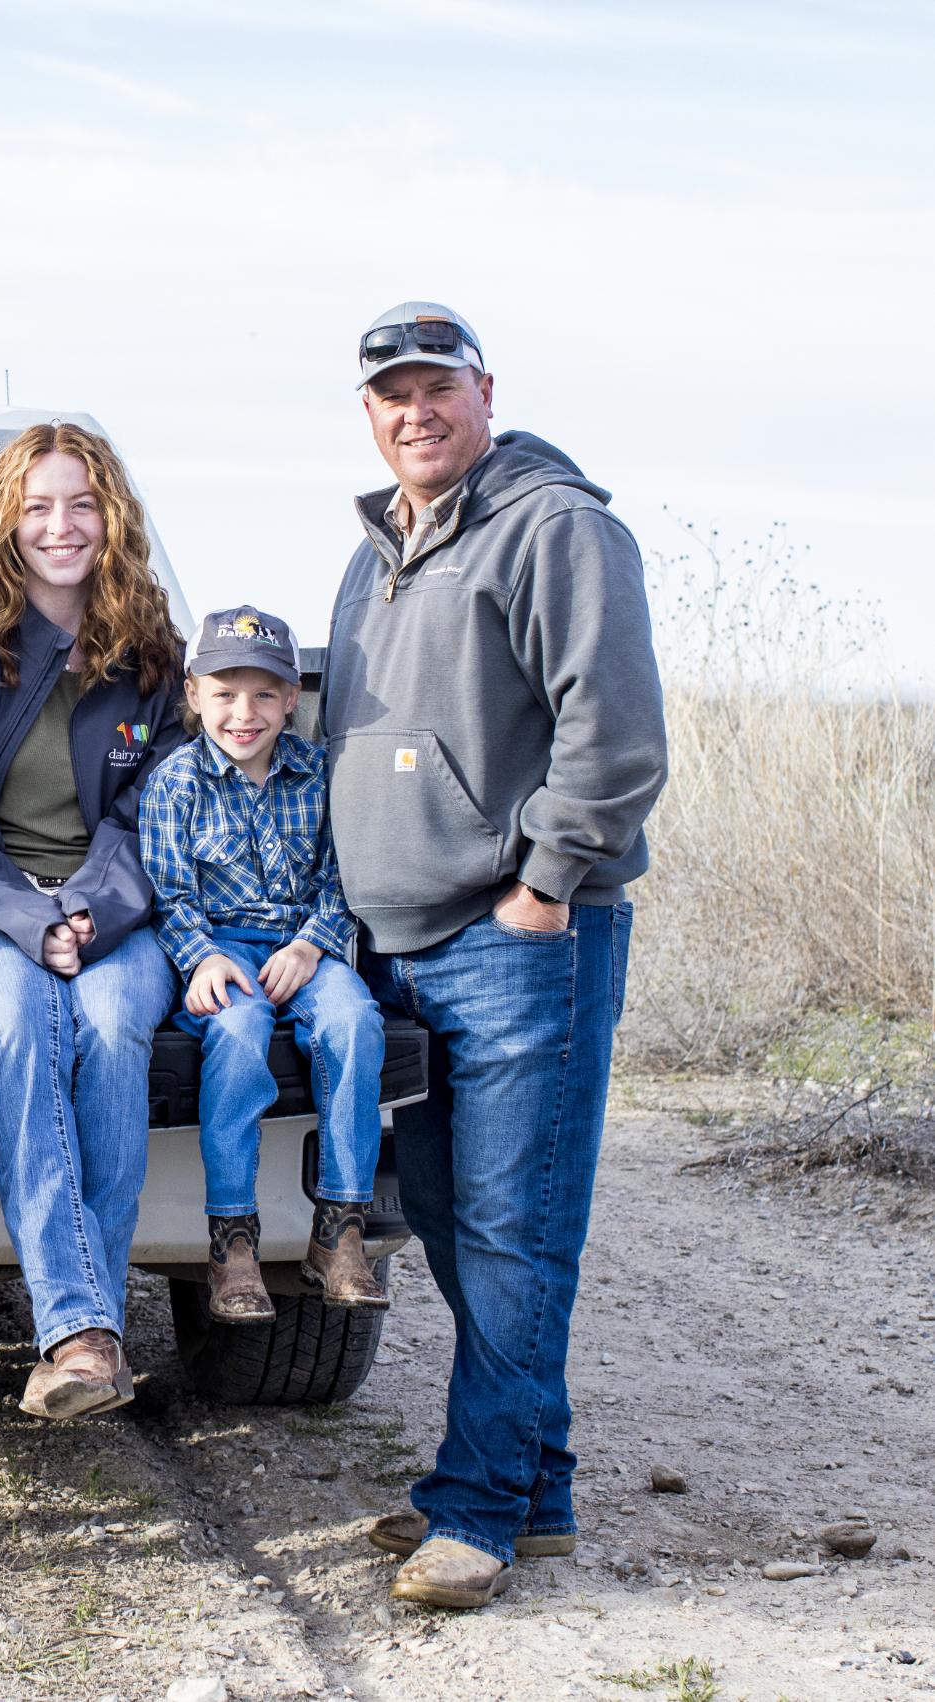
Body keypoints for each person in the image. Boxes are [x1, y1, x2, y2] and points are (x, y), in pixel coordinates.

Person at [321, 302, 666, 1609]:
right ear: (367, 411)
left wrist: (542, 885)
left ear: (481, 391)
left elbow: (615, 729)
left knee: (518, 1238)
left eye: (435, 386)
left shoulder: (553, 525)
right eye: (388, 392)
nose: (413, 410)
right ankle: (540, 1486)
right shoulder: (377, 550)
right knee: (461, 1238)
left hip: (518, 941)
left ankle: (470, 1510)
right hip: (406, 948)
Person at [0, 423, 184, 1420]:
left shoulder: (155, 661)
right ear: (5, 523)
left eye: (79, 503)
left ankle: (80, 1333)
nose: (59, 525)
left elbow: (149, 816)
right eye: (36, 506)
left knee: (113, 1029)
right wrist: (31, 920)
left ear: (109, 516)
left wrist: (89, 912)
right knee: (22, 1029)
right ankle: (82, 1327)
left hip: (118, 910)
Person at [138, 605, 386, 1327]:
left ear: (290, 699)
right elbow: (168, 893)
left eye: (263, 696)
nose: (243, 714)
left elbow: (343, 876)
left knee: (354, 1021)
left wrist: (313, 944)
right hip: (221, 950)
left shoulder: (318, 775)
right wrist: (202, 958)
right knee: (239, 1035)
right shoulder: (176, 783)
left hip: (304, 947)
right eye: (224, 694)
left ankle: (339, 1231)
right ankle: (233, 1244)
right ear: (193, 695)